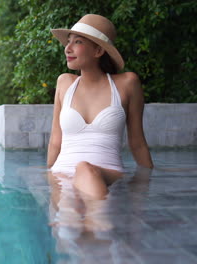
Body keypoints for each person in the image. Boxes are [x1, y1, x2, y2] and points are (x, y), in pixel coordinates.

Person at [46, 14, 154, 199]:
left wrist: (145, 193)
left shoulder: (127, 83)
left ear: (98, 51)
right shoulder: (64, 83)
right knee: (70, 217)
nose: (68, 48)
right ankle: (97, 222)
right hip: (62, 176)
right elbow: (56, 142)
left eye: (77, 42)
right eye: (68, 42)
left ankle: (98, 221)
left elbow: (137, 144)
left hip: (108, 175)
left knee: (85, 169)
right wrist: (49, 185)